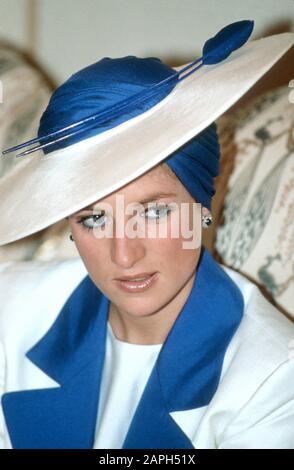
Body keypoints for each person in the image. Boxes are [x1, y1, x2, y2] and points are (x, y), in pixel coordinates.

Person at [0, 20, 293, 449]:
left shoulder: (272, 380)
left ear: (202, 207)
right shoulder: (10, 311)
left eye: (153, 212)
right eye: (94, 219)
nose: (123, 255)